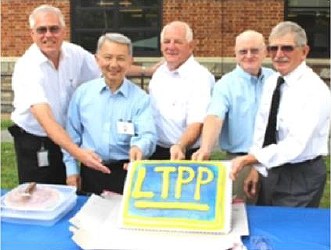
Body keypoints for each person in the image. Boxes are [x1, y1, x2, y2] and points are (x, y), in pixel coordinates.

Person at [9, 4, 159, 185]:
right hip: (37, 141)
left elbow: (107, 64)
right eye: (42, 30)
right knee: (39, 192)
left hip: (71, 144)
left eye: (54, 29)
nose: (48, 35)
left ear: (63, 31)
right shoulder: (27, 67)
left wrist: (146, 70)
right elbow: (46, 120)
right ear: (32, 34)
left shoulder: (75, 54)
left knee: (65, 193)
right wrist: (77, 156)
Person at [231, 21, 331, 207]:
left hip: (301, 176)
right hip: (271, 169)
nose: (278, 55)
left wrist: (250, 159)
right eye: (273, 48)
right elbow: (262, 129)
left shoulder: (315, 91)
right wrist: (256, 169)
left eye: (287, 48)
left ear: (304, 52)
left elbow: (296, 145)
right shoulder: (273, 82)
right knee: (263, 228)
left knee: (290, 233)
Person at [63, 33, 157, 194]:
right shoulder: (82, 94)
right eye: (108, 57)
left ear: (130, 62)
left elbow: (148, 134)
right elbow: (72, 136)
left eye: (121, 58)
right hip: (90, 172)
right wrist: (72, 170)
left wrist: (139, 147)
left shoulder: (140, 99)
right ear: (97, 59)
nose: (114, 64)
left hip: (126, 172)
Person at [191, 30, 274, 202]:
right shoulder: (225, 84)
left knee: (278, 217)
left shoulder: (276, 80)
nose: (249, 56)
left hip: (275, 162)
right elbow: (214, 116)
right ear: (235, 54)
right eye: (243, 51)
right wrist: (205, 147)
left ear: (265, 52)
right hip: (240, 163)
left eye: (254, 50)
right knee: (244, 216)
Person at [148, 21, 215, 160]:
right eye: (167, 41)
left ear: (191, 46)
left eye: (177, 42)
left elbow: (197, 124)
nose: (171, 47)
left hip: (186, 153)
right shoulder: (159, 73)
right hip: (156, 151)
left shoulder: (200, 77)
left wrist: (180, 146)